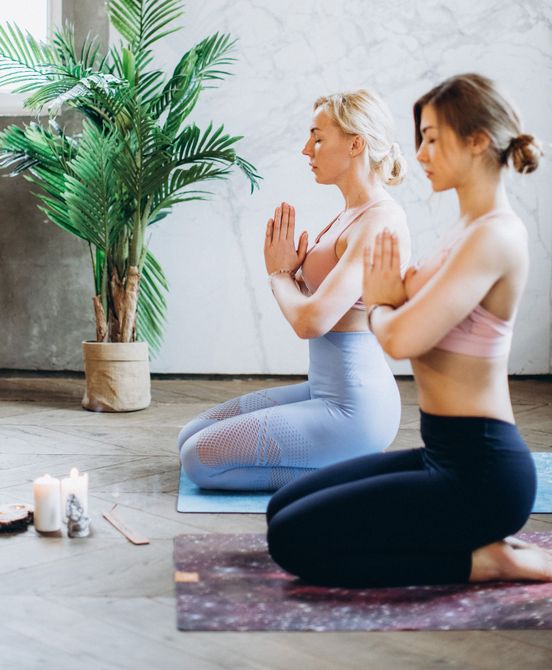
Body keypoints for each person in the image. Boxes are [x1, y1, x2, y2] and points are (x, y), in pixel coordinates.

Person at [267, 73, 552, 586]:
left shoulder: (495, 237)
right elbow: (397, 308)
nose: (419, 153)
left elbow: (400, 339)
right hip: (441, 451)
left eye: (433, 139)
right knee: (282, 509)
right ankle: (467, 541)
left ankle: (478, 561)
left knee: (292, 540)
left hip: (482, 472)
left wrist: (379, 303)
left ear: (478, 142)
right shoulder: (463, 230)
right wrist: (387, 300)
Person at [177, 89, 410, 491]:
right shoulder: (350, 213)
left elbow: (311, 321)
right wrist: (296, 274)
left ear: (356, 143)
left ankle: (357, 469)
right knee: (188, 437)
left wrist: (280, 276)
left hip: (354, 409)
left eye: (318, 137)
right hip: (323, 390)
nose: (306, 149)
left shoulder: (379, 222)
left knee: (200, 462)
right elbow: (320, 300)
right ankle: (346, 463)